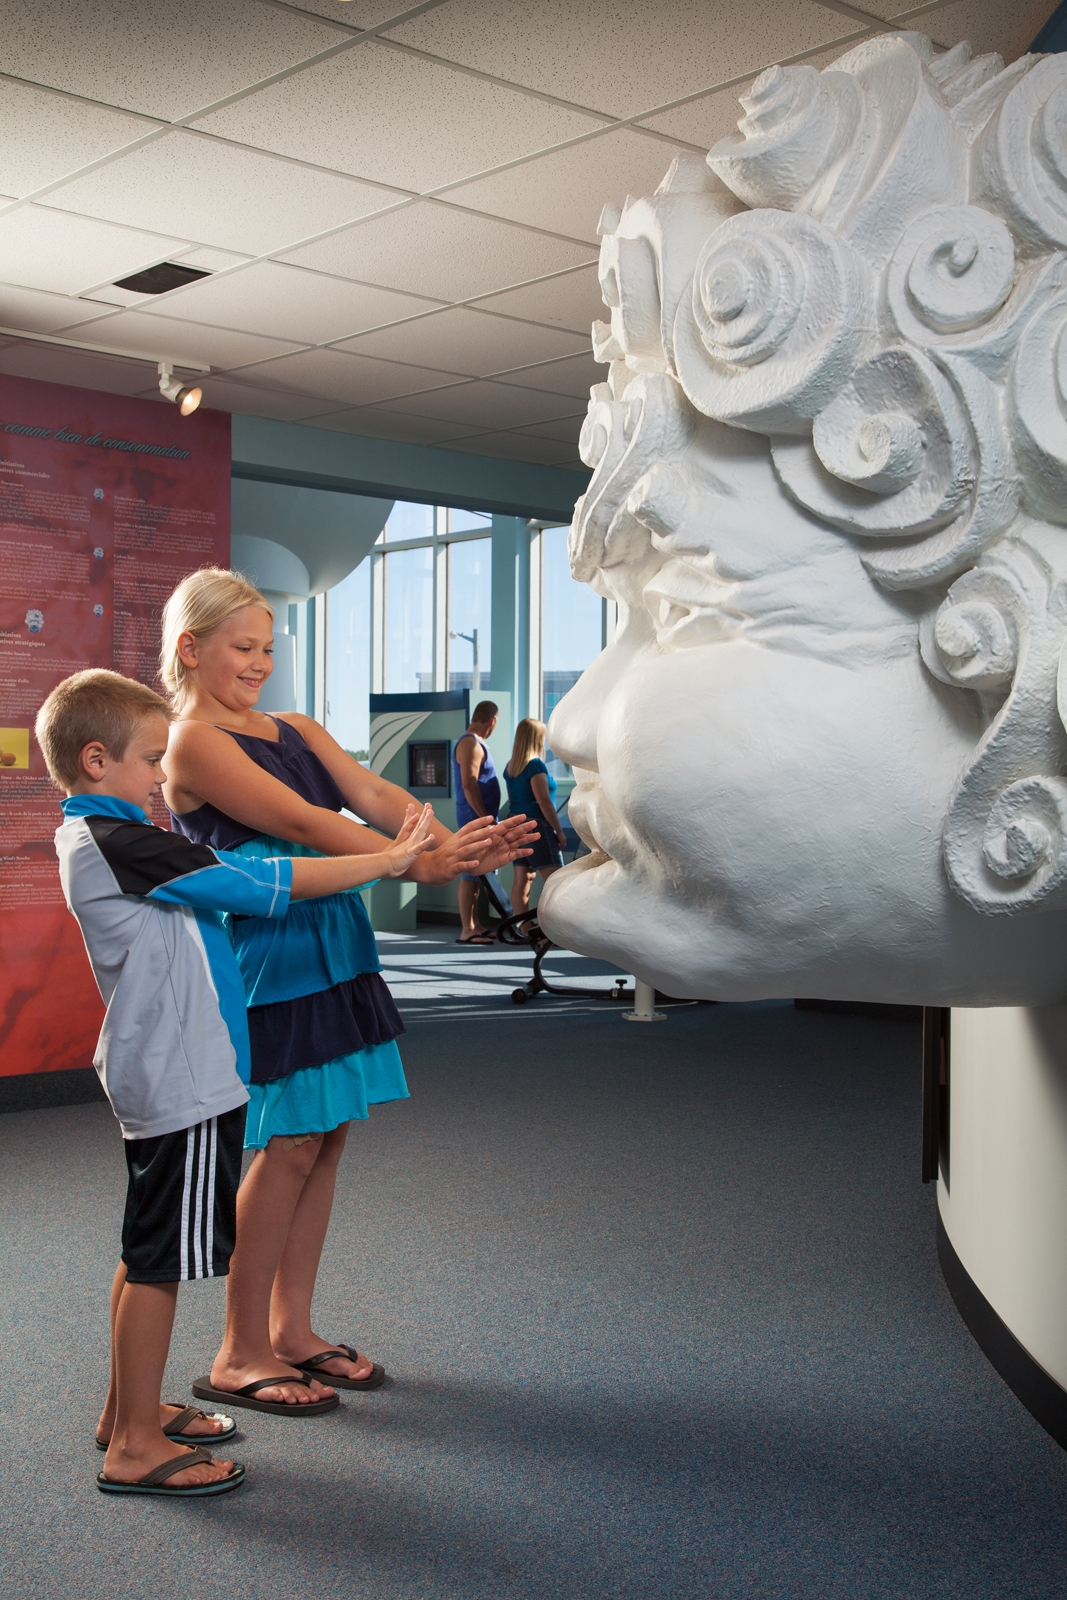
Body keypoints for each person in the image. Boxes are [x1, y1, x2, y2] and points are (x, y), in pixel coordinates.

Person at [37, 668, 436, 1497]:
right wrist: (388, 857)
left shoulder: (113, 835)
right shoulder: (123, 842)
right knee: (159, 1264)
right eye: (150, 760)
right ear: (97, 759)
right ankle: (137, 1448)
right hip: (180, 1079)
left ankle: (126, 1412)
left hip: (174, 1070)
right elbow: (264, 885)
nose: (162, 776)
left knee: (144, 1247)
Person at [158, 571, 534, 1415]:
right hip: (274, 952)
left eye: (267, 648)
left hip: (337, 941)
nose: (258, 663)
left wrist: (451, 841)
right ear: (191, 649)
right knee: (287, 1141)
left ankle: (292, 1331)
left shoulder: (293, 724)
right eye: (240, 648)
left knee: (325, 1139)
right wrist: (418, 862)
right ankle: (237, 1351)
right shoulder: (190, 741)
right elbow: (299, 824)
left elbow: (373, 795)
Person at [503, 718, 567, 926]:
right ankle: (556, 929)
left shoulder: (511, 766)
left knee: (523, 879)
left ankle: (525, 928)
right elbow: (544, 802)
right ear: (537, 739)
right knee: (556, 881)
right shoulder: (536, 765)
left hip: (516, 825)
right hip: (536, 827)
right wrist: (559, 831)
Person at [453, 700, 501, 945]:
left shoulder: (477, 743)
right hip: (474, 818)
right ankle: (466, 929)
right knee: (470, 873)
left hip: (480, 817)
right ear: (492, 720)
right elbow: (468, 784)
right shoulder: (470, 743)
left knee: (479, 873)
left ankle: (475, 925)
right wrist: (484, 818)